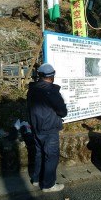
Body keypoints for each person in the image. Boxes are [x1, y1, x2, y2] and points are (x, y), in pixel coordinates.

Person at [27, 63, 67, 193]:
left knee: (39, 154)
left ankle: (36, 179)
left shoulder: (32, 89)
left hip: (36, 127)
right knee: (51, 156)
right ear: (51, 76)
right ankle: (48, 185)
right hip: (49, 128)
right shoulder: (51, 91)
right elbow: (62, 112)